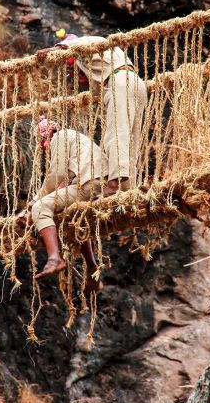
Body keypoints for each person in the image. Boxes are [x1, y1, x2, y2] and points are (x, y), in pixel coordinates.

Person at [37, 30, 148, 197]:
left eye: (70, 65)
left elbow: (78, 44)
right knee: (131, 139)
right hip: (135, 84)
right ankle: (127, 189)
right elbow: (85, 78)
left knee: (116, 135)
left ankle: (113, 183)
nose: (72, 70)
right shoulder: (102, 60)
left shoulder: (88, 42)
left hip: (120, 83)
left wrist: (55, 49)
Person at [26, 116, 105, 293]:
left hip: (89, 184)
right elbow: (66, 178)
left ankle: (54, 258)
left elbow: (57, 174)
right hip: (96, 183)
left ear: (45, 136)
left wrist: (35, 200)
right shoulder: (74, 139)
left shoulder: (59, 137)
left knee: (41, 208)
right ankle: (92, 268)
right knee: (73, 219)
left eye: (40, 142)